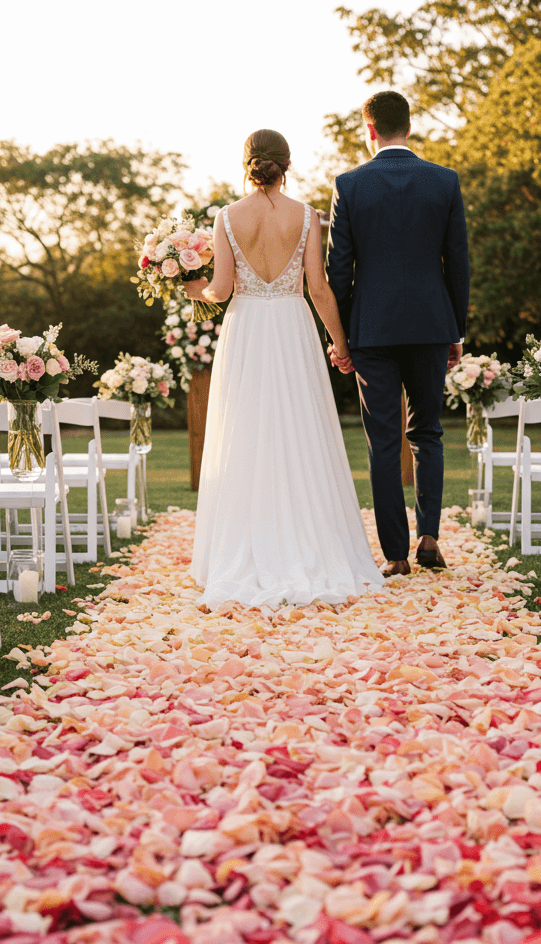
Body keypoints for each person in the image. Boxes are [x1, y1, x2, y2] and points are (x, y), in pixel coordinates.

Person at [187, 129, 383, 609]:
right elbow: (318, 288)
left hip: (247, 330)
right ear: (286, 163)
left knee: (247, 433)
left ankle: (244, 547)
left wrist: (194, 289)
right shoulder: (308, 216)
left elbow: (221, 288)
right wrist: (341, 344)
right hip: (293, 327)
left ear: (247, 163)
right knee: (301, 430)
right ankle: (309, 539)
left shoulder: (226, 216)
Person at [326, 90, 469, 576]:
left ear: (370, 130)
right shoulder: (444, 181)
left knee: (383, 440)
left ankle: (395, 555)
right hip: (431, 325)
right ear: (409, 126)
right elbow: (459, 265)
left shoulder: (349, 184)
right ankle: (429, 535)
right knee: (428, 432)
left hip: (373, 331)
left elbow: (337, 270)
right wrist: (457, 330)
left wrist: (342, 339)